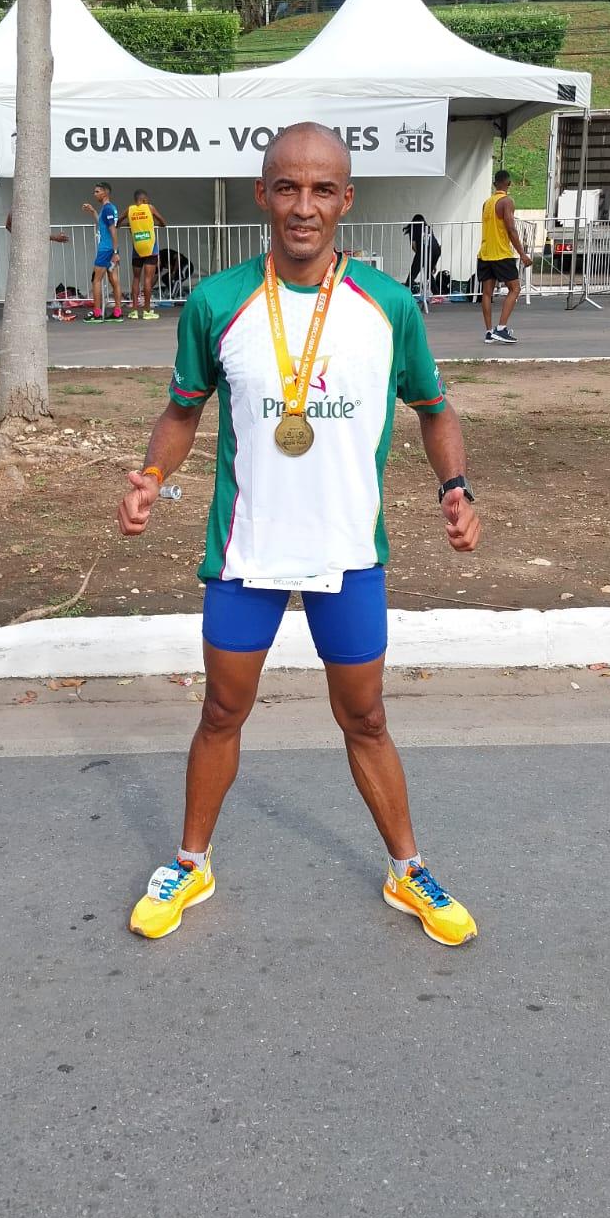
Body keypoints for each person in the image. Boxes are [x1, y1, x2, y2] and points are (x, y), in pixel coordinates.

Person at [117, 122, 481, 949]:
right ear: (263, 194)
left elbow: (435, 409)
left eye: (322, 190)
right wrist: (150, 479)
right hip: (247, 555)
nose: (303, 206)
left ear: (346, 199)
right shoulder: (217, 302)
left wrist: (455, 488)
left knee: (366, 720)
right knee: (221, 711)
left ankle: (407, 870)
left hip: (348, 554)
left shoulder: (388, 304)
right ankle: (191, 861)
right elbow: (182, 410)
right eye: (287, 187)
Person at [476, 169, 532, 344]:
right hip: (501, 253)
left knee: (487, 293)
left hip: (485, 253)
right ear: (508, 184)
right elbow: (511, 228)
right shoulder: (506, 202)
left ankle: (488, 331)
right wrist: (522, 253)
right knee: (515, 288)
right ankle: (501, 328)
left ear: (495, 184)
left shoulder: (487, 203)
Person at [5, 209, 73, 320]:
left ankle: (28, 312)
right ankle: (31, 313)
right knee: (31, 282)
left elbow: (8, 225)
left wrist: (20, 237)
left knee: (29, 282)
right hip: (28, 252)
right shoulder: (23, 206)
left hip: (27, 250)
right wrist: (54, 238)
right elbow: (27, 232)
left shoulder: (17, 205)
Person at [82, 181, 122, 321]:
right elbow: (102, 224)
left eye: (97, 192)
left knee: (96, 280)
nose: (95, 194)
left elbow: (113, 230)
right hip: (111, 248)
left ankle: (97, 313)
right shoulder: (109, 208)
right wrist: (93, 211)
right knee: (114, 280)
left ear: (105, 192)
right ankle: (117, 313)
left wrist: (115, 252)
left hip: (106, 249)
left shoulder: (108, 209)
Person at [123, 189, 166, 320]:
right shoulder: (150, 207)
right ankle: (147, 311)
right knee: (147, 279)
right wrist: (153, 224)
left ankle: (134, 311)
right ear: (144, 200)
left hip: (137, 247)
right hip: (150, 247)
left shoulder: (129, 209)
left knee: (136, 278)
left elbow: (118, 222)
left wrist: (129, 224)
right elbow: (163, 223)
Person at [403, 213, 441, 298]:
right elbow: (434, 244)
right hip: (436, 251)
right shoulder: (428, 228)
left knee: (413, 272)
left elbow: (413, 245)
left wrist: (420, 255)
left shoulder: (414, 228)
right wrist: (433, 264)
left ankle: (405, 292)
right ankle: (436, 294)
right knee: (428, 273)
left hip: (424, 250)